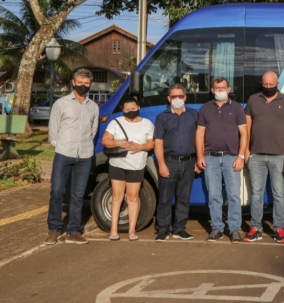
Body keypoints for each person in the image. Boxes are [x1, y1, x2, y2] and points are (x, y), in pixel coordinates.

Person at [44, 68, 100, 245]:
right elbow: (53, 129)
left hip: (84, 155)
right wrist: (60, 145)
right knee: (57, 191)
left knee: (78, 194)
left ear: (90, 84)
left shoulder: (93, 107)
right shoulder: (61, 104)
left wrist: (85, 146)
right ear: (73, 83)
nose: (83, 85)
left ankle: (73, 231)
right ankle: (54, 229)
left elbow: (93, 130)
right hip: (64, 153)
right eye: (80, 82)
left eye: (86, 83)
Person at [244, 71, 284, 244]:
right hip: (256, 155)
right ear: (261, 83)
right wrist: (246, 150)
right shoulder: (253, 100)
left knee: (279, 194)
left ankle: (278, 227)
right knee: (256, 194)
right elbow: (247, 126)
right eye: (265, 85)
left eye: (271, 85)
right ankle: (255, 228)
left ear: (277, 83)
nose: (268, 87)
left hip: (279, 156)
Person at [196, 78, 248, 243]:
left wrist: (241, 156)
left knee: (233, 196)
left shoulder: (237, 108)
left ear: (229, 89)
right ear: (212, 90)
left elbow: (244, 133)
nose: (220, 90)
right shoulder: (205, 108)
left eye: (223, 87)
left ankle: (234, 229)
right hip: (210, 158)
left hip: (231, 158)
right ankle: (217, 228)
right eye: (217, 88)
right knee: (214, 196)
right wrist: (199, 156)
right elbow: (199, 133)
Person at [101, 96, 155, 241]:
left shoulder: (147, 124)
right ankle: (113, 230)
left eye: (133, 108)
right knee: (117, 197)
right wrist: (121, 143)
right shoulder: (115, 123)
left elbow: (151, 144)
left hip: (137, 165)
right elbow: (105, 141)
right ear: (123, 110)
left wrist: (140, 147)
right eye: (127, 109)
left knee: (133, 197)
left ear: (139, 108)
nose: (130, 111)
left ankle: (132, 230)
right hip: (117, 164)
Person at [153, 84, 199, 242]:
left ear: (185, 97)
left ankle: (180, 229)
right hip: (169, 162)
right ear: (169, 98)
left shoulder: (194, 115)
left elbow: (200, 139)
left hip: (189, 162)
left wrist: (198, 159)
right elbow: (158, 142)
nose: (177, 99)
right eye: (174, 96)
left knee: (184, 198)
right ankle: (163, 229)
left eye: (180, 96)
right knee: (165, 198)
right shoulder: (162, 117)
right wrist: (161, 164)